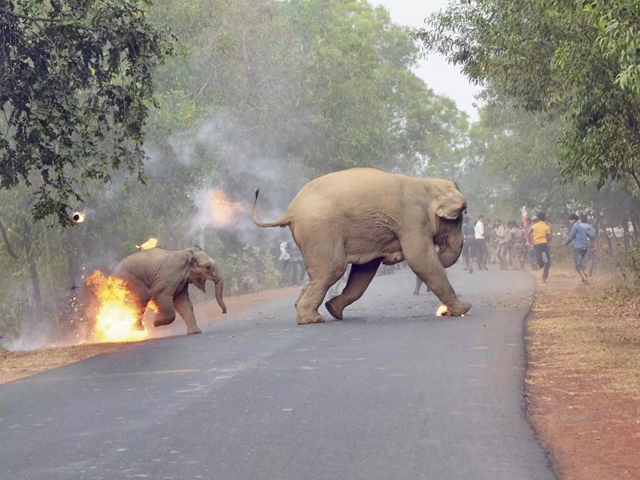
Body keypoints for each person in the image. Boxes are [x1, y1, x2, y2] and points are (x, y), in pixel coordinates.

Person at [564, 214, 594, 284]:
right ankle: (584, 277)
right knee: (580, 263)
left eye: (570, 220)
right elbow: (591, 236)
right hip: (584, 248)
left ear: (573, 220)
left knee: (577, 265)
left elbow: (571, 237)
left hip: (578, 248)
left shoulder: (575, 226)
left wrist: (565, 243)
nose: (570, 222)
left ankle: (585, 279)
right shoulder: (582, 227)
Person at [531, 212, 552, 282]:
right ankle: (544, 277)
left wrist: (532, 241)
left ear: (537, 218)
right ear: (545, 218)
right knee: (548, 262)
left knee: (539, 259)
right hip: (544, 243)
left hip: (536, 244)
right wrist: (547, 240)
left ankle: (540, 264)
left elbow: (528, 233)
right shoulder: (547, 226)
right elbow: (549, 236)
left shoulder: (534, 226)